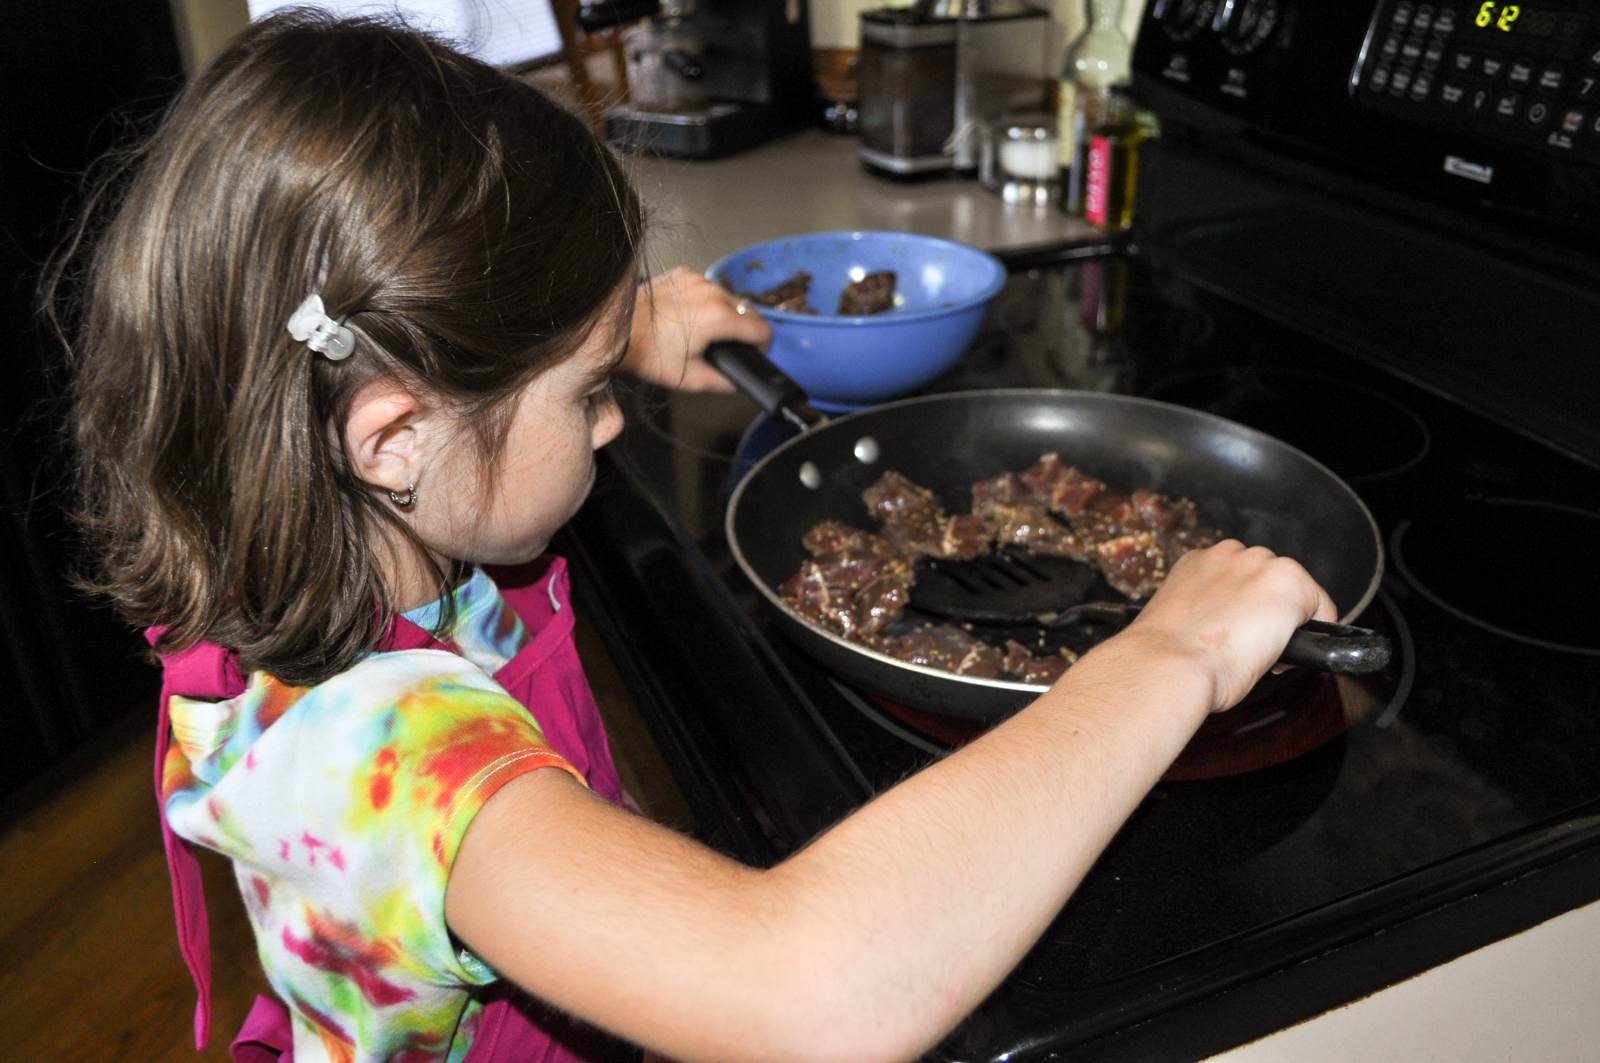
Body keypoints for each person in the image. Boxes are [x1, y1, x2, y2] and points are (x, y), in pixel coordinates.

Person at [53, 11, 1337, 1063]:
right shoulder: (386, 761)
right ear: (390, 437)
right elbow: (811, 992)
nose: (613, 425)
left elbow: (450, 418)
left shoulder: (275, 507)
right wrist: (1160, 654)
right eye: (588, 395)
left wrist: (618, 331)